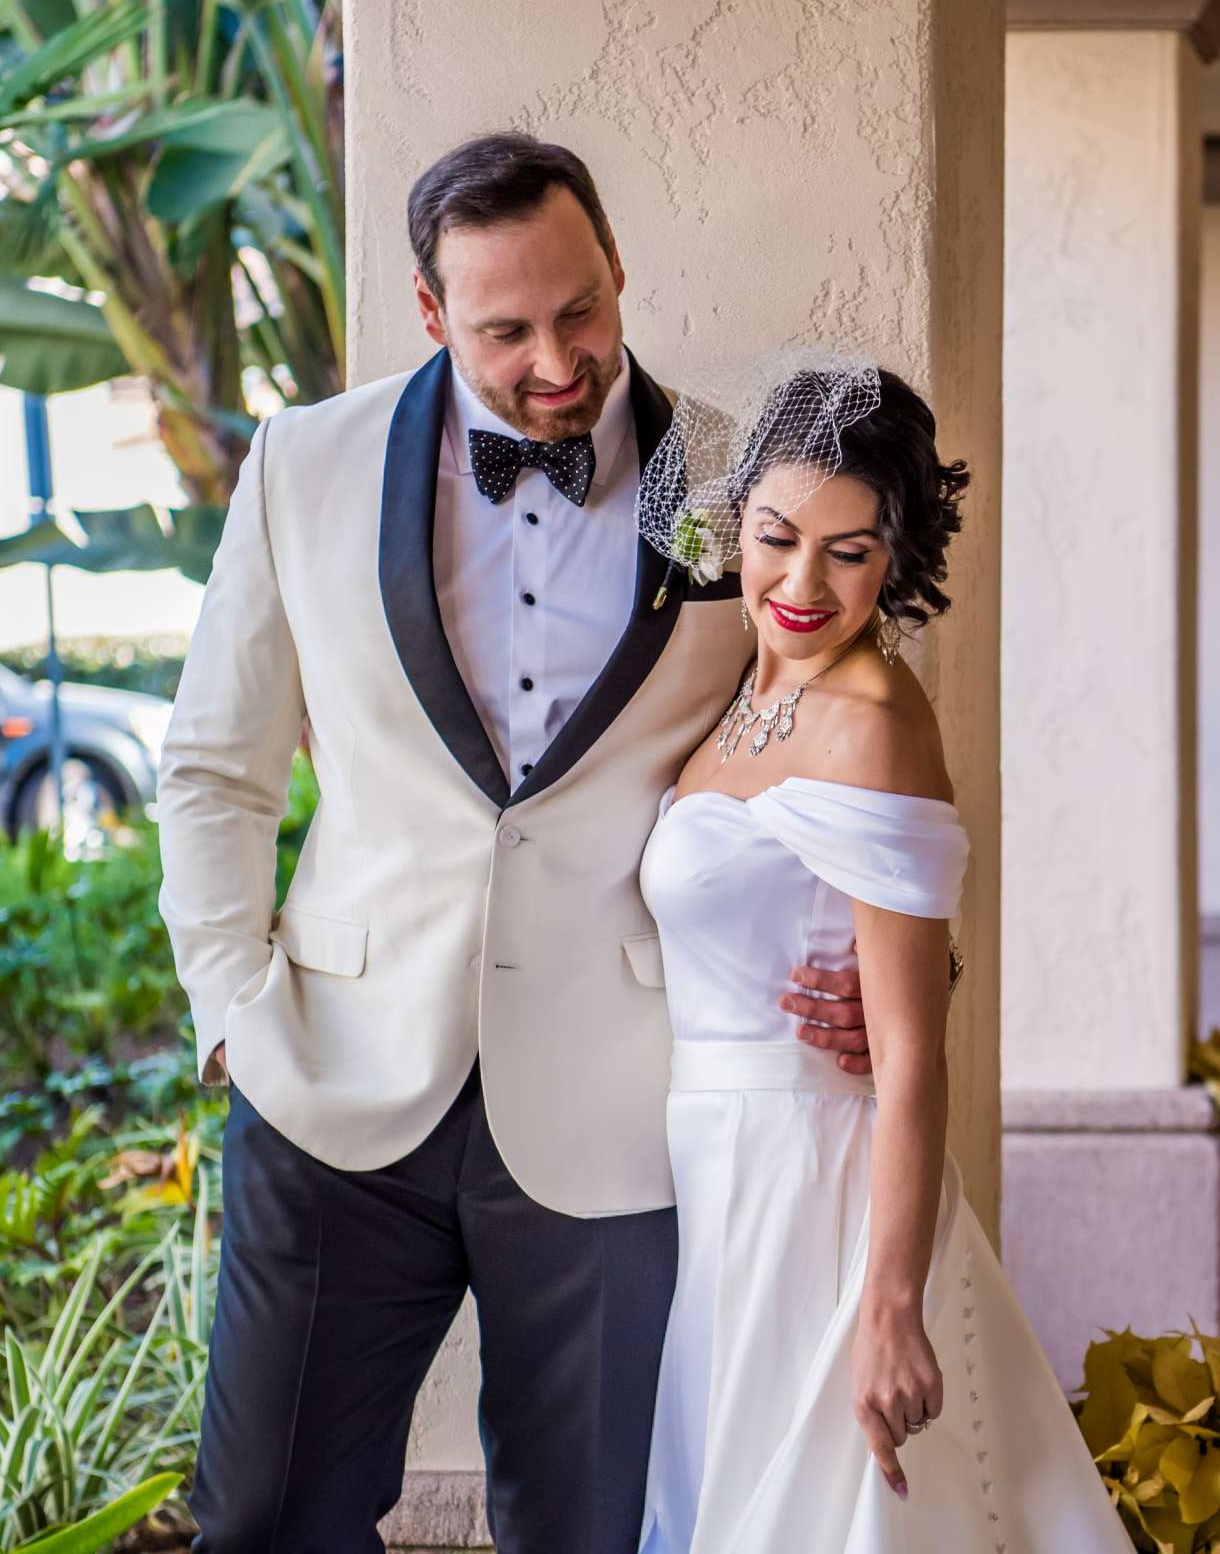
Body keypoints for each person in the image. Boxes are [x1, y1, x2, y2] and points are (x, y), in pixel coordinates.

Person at [155, 134, 878, 1550]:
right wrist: (228, 1009)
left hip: (626, 1098)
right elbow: (211, 768)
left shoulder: (726, 483)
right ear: (431, 314)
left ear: (616, 271)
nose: (556, 360)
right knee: (260, 1517)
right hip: (332, 1081)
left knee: (595, 1525)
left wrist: (897, 968)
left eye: (581, 312)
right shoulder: (309, 466)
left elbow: (844, 745)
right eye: (505, 331)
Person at [631, 361, 1130, 1551]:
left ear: (896, 557)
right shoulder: (732, 682)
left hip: (821, 1179)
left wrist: (889, 1302)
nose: (803, 582)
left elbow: (910, 1057)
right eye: (778, 536)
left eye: (850, 552)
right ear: (734, 516)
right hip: (716, 1174)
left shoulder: (873, 725)